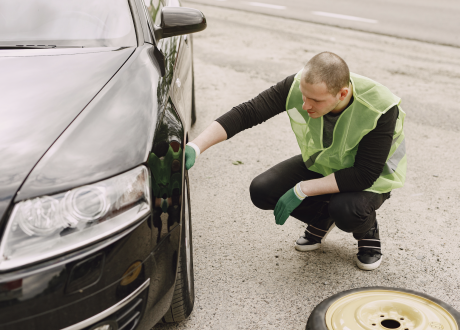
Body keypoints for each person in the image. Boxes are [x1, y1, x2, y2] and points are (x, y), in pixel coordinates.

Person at [184, 52, 406, 271]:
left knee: (346, 210)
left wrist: (303, 189)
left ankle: (367, 231)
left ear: (342, 93)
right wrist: (196, 146)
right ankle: (321, 219)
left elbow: (364, 174)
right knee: (262, 190)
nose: (305, 105)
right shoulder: (300, 85)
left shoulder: (380, 107)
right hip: (325, 164)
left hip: (370, 180)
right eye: (304, 96)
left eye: (316, 101)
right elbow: (247, 113)